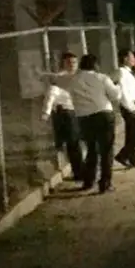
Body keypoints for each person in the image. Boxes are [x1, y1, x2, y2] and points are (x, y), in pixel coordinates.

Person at [36, 53, 135, 194]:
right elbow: (115, 96)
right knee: (106, 151)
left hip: (84, 118)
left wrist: (40, 74)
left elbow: (55, 79)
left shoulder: (72, 80)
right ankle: (105, 183)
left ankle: (89, 181)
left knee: (91, 150)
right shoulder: (102, 78)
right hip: (103, 114)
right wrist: (118, 86)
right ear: (95, 65)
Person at [40, 51, 85, 182]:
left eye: (74, 62)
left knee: (81, 142)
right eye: (69, 62)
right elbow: (51, 95)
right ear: (64, 64)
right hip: (67, 112)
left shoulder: (80, 76)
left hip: (80, 111)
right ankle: (79, 172)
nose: (72, 65)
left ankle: (83, 168)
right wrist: (46, 112)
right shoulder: (60, 78)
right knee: (73, 143)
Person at [114, 49, 135, 168]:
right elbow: (123, 92)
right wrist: (131, 107)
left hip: (134, 103)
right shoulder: (122, 72)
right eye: (132, 57)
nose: (134, 60)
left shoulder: (128, 72)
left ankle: (133, 158)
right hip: (130, 105)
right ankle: (123, 155)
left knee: (132, 134)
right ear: (125, 59)